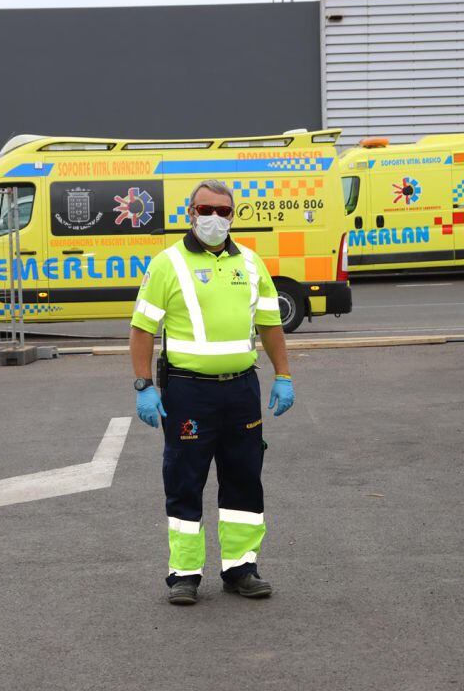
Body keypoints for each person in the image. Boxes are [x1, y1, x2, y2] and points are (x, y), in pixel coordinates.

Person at [129, 179, 294, 606]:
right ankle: (184, 575)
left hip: (241, 390)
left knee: (244, 480)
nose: (215, 218)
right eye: (207, 209)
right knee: (185, 479)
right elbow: (143, 329)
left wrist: (284, 375)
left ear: (233, 215)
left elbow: (271, 325)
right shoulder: (168, 263)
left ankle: (242, 569)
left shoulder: (252, 264)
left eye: (224, 211)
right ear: (190, 213)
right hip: (188, 392)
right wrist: (144, 385)